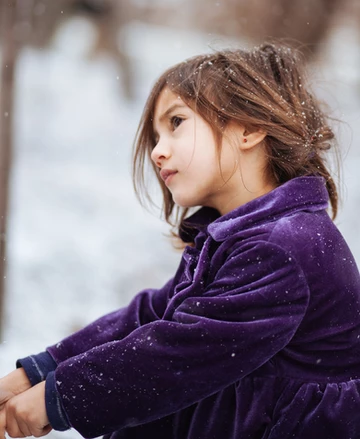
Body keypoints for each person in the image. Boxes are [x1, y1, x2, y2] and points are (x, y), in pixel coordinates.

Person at [1, 42, 360, 439]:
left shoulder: (285, 246)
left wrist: (58, 397)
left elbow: (178, 354)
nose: (157, 152)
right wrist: (40, 370)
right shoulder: (239, 237)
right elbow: (152, 316)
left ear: (250, 128)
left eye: (175, 123)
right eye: (155, 136)